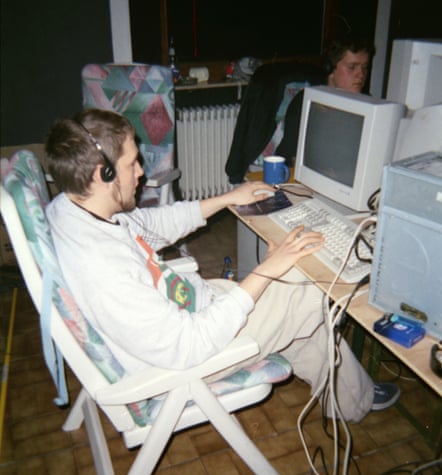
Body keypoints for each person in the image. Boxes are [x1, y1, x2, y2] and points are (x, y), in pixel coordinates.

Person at [45, 108, 399, 423]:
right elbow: (189, 345)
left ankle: (353, 400)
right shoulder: (101, 267)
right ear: (100, 173)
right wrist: (267, 271)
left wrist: (228, 198)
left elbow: (153, 225)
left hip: (194, 309)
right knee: (315, 282)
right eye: (131, 164)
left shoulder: (76, 207)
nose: (141, 171)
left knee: (296, 302)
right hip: (191, 354)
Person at [276, 35, 375, 166]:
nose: (361, 74)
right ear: (330, 69)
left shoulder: (368, 104)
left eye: (364, 67)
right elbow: (295, 160)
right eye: (352, 67)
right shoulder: (305, 103)